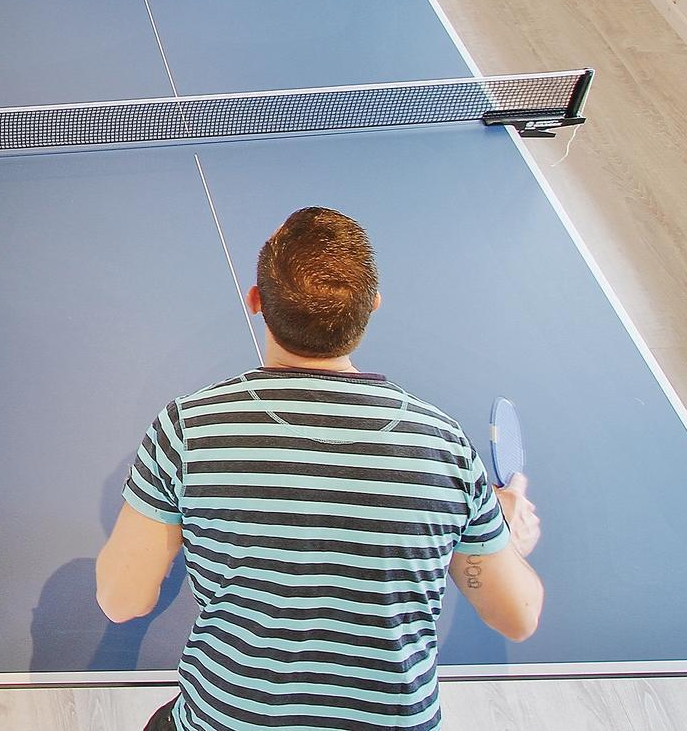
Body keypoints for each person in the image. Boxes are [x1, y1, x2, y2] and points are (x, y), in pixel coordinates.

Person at [97, 207, 543, 731]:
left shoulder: (186, 429)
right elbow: (517, 618)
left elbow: (121, 602)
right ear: (372, 306)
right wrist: (502, 535)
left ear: (255, 302)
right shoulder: (445, 446)